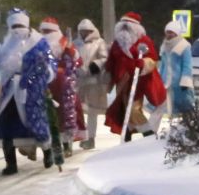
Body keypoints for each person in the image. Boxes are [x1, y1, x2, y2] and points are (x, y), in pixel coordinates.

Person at [0, 11, 54, 172]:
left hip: (31, 91)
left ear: (27, 25)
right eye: (14, 26)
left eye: (20, 26)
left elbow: (48, 65)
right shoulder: (6, 45)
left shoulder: (39, 43)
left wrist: (34, 79)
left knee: (37, 122)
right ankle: (11, 164)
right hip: (9, 91)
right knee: (6, 126)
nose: (17, 30)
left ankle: (47, 151)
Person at [107, 12, 166, 136]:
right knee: (123, 109)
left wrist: (143, 63)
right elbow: (111, 61)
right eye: (122, 26)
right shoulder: (117, 43)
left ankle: (148, 133)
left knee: (133, 108)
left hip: (137, 80)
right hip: (121, 81)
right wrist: (108, 76)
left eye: (127, 26)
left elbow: (152, 59)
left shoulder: (143, 40)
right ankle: (127, 135)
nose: (124, 29)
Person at [42, 18, 86, 157]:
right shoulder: (38, 44)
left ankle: (67, 144)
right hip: (44, 83)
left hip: (63, 85)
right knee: (47, 115)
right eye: (44, 31)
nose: (47, 34)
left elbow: (77, 61)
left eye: (49, 31)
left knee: (67, 114)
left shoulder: (65, 43)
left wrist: (71, 55)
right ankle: (49, 147)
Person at [74, 18, 113, 146]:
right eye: (82, 31)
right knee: (78, 110)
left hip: (94, 82)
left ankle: (91, 138)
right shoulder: (75, 43)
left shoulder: (99, 43)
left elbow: (104, 57)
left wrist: (95, 66)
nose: (85, 33)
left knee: (92, 112)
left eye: (87, 31)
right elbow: (71, 57)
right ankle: (82, 135)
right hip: (79, 82)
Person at [159, 20, 197, 114]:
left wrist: (185, 81)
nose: (169, 34)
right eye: (167, 32)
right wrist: (159, 79)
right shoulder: (164, 46)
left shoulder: (184, 45)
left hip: (179, 83)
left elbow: (187, 65)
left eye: (171, 32)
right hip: (166, 82)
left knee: (183, 106)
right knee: (168, 108)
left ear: (176, 33)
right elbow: (163, 65)